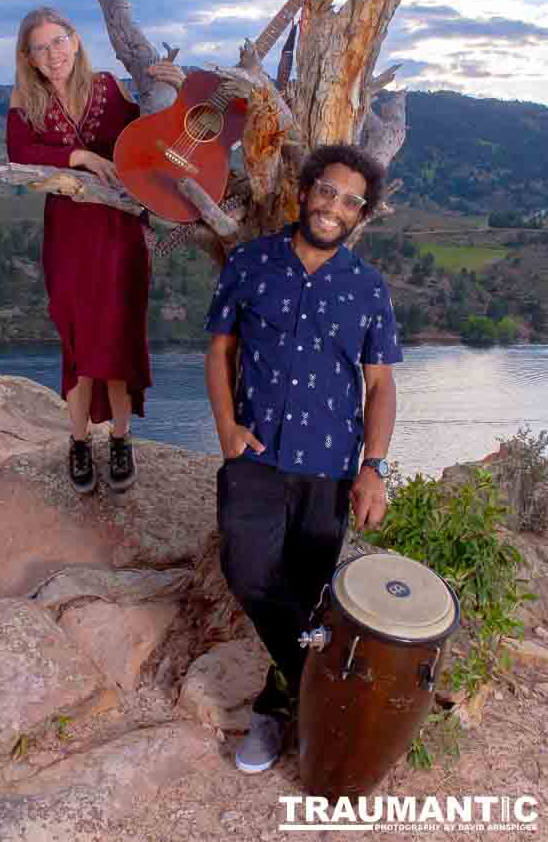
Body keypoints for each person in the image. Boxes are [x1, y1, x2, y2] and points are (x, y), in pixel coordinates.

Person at [204, 143, 402, 774]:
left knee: (308, 590)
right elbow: (219, 352)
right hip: (257, 454)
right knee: (248, 570)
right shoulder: (251, 263)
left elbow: (381, 386)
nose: (334, 206)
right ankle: (335, 689)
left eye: (350, 200)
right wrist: (227, 429)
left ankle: (275, 709)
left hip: (331, 465)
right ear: (306, 189)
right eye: (327, 191)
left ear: (361, 214)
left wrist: (374, 468)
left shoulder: (368, 289)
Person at [7, 7, 183, 494]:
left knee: (121, 335)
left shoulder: (108, 88)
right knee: (78, 343)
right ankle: (80, 442)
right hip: (68, 236)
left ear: (76, 41)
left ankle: (121, 440)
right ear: (29, 58)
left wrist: (178, 87)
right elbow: (18, 153)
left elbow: (155, 135)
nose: (53, 54)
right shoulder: (27, 100)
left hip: (120, 233)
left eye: (58, 41)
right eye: (41, 47)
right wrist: (79, 156)